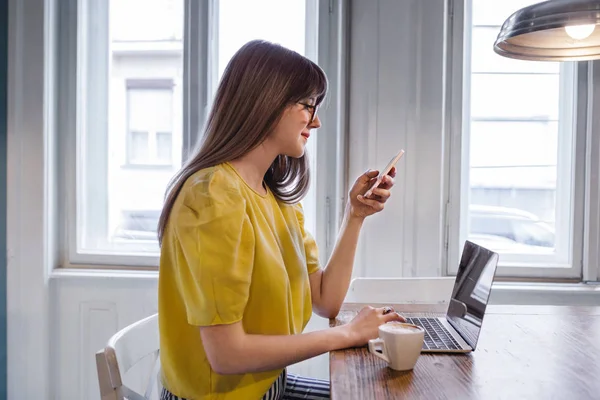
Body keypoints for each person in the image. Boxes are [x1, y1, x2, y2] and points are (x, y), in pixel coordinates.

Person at [157, 39, 405, 400]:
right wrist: (349, 333)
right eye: (308, 105)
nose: (316, 121)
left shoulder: (276, 200)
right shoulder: (212, 196)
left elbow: (325, 300)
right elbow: (226, 355)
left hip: (271, 387)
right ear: (266, 102)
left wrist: (355, 216)